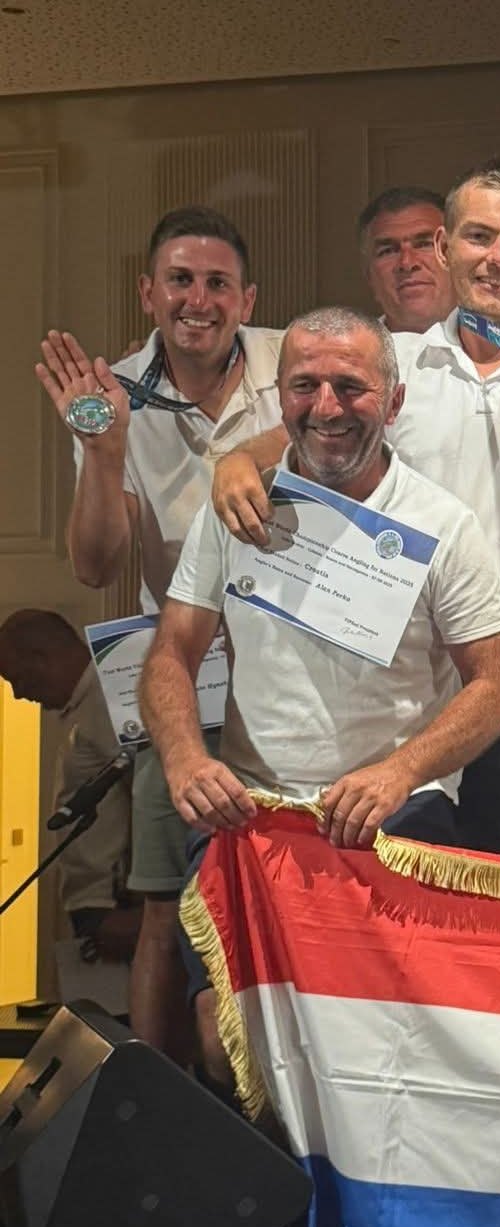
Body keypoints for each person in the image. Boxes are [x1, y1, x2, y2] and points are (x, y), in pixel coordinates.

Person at [209, 159, 500, 852]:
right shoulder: (396, 363)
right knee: (421, 895)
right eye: (480, 237)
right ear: (445, 247)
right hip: (422, 686)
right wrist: (236, 463)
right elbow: (293, 437)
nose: (499, 259)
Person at [141, 306, 500, 1078]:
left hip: (393, 820)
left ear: (394, 400)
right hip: (253, 813)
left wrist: (400, 771)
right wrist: (184, 758)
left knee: (383, 1046)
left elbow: (498, 687)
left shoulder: (443, 524)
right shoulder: (236, 508)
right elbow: (171, 653)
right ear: (279, 400)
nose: (326, 407)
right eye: (304, 386)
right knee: (224, 1037)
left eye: (351, 386)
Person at [34, 205, 287, 1058]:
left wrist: (248, 455)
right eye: (180, 280)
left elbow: (367, 411)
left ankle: (268, 1099)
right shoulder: (109, 393)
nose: (198, 299)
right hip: (182, 675)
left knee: (284, 893)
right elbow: (94, 562)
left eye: (218, 283)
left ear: (248, 298)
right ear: (148, 292)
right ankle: (162, 1106)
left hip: (294, 674)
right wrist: (104, 451)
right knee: (162, 905)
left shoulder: (292, 362)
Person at [0, 610, 137, 971]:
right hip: (98, 900)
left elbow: (145, 797)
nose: (18, 694)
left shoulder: (110, 698)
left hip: (118, 904)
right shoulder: (85, 705)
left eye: (18, 679)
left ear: (41, 658)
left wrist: (146, 904)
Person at [357, 186, 455, 334]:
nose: (407, 263)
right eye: (388, 251)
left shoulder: (493, 344)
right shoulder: (348, 347)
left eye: (424, 244)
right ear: (369, 276)